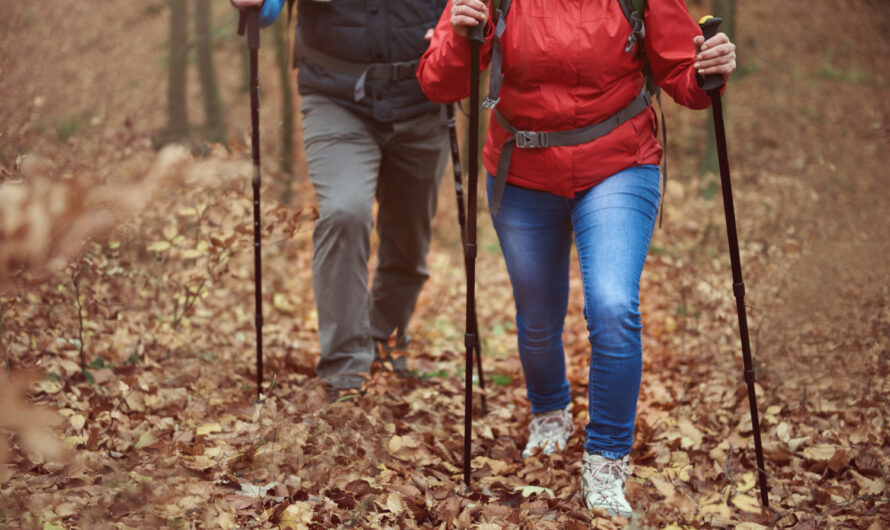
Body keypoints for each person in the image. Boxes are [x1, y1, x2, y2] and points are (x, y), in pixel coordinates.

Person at [417, 0, 737, 517]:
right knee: (538, 312)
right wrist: (461, 34)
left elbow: (681, 72)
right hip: (521, 171)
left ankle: (607, 457)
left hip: (618, 161)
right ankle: (549, 412)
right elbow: (437, 83)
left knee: (612, 306)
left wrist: (708, 71)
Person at [231, 0, 450, 392]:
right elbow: (266, 9)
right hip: (336, 97)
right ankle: (345, 367)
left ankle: (381, 336)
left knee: (409, 245)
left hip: (423, 101)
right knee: (344, 212)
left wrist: (468, 36)